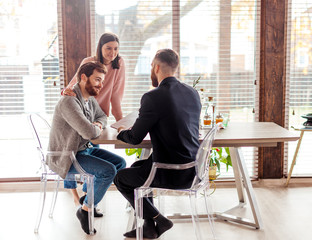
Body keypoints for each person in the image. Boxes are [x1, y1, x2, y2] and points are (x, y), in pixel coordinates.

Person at [114, 49, 201, 239]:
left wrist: (121, 133)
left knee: (121, 178)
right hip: (193, 170)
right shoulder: (192, 93)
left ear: (156, 66)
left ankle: (158, 218)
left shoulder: (153, 97)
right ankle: (148, 227)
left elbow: (135, 138)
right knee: (138, 166)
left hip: (170, 171)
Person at [48, 62, 126, 234]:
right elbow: (89, 132)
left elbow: (102, 116)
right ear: (83, 77)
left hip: (84, 150)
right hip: (67, 157)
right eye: (97, 79)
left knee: (120, 163)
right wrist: (95, 126)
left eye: (102, 80)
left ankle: (87, 200)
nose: (100, 84)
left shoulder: (88, 99)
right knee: (107, 171)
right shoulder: (69, 101)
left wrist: (97, 123)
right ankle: (85, 211)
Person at [63, 32, 126, 206]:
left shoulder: (119, 64)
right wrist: (66, 93)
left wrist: (120, 125)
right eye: (108, 48)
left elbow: (115, 97)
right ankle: (76, 195)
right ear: (100, 47)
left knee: (93, 156)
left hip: (99, 117)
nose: (112, 53)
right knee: (75, 148)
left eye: (115, 49)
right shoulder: (89, 62)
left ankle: (88, 199)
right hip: (81, 113)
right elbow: (74, 85)